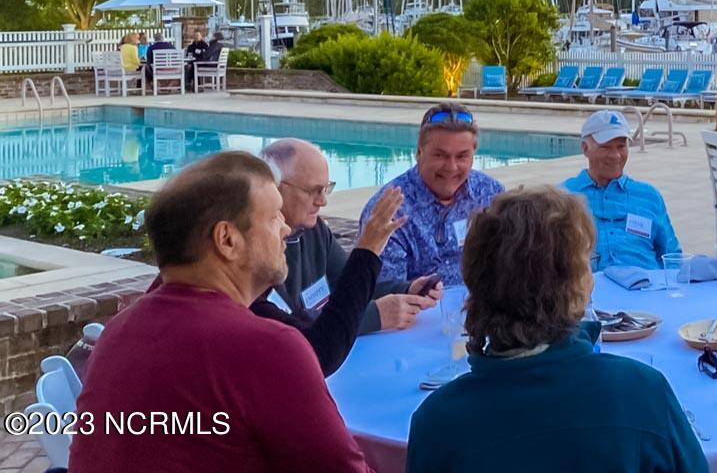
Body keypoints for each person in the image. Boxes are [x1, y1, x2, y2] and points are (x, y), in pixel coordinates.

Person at [70, 152, 373, 473]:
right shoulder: (265, 347)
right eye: (273, 216)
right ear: (227, 239)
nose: (285, 228)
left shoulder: (118, 332)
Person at [406, 186, 707, 473]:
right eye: (586, 265)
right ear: (574, 288)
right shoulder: (641, 394)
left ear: (476, 284)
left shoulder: (437, 423)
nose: (592, 279)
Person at [260, 139, 437, 338]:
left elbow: (349, 283)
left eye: (325, 189)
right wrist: (375, 316)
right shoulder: (256, 250)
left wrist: (405, 289)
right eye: (312, 190)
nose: (323, 201)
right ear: (275, 187)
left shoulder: (315, 231)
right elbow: (291, 328)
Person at [359, 102, 505, 286]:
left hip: (482, 301)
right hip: (417, 304)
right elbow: (385, 292)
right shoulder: (389, 212)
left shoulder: (490, 194)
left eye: (462, 156)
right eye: (440, 155)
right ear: (419, 152)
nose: (451, 167)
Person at [563, 109, 680, 269]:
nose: (616, 155)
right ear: (585, 148)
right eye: (606, 147)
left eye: (621, 146)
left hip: (647, 283)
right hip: (589, 284)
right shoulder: (564, 198)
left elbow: (673, 258)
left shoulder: (649, 197)